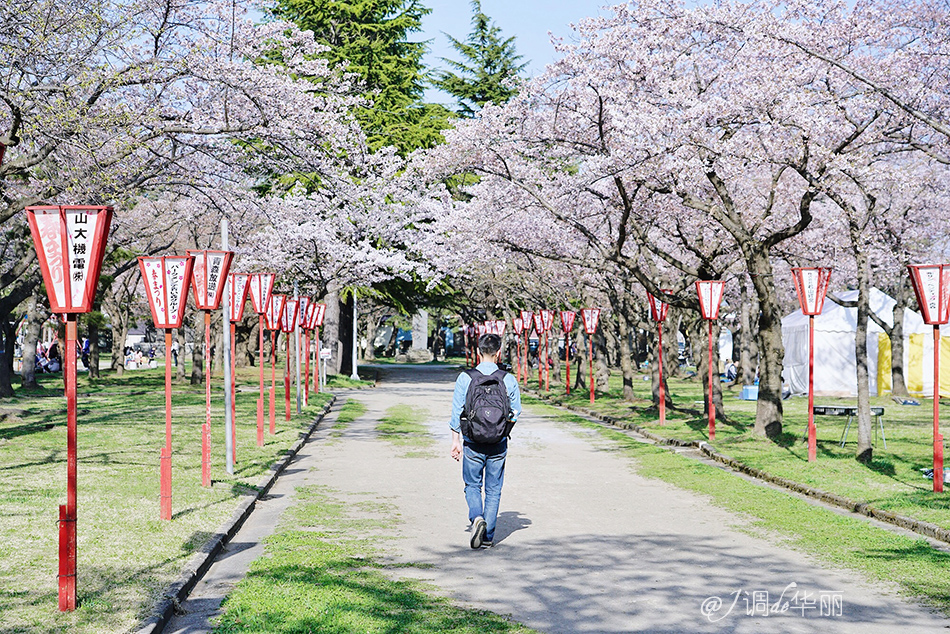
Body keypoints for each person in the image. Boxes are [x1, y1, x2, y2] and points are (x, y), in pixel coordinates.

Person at [449, 333, 522, 549]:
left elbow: (456, 413)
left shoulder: (466, 377)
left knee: (472, 485)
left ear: (478, 351)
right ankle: (488, 536)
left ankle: (476, 517)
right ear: (499, 352)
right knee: (494, 489)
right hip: (498, 443)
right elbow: (516, 411)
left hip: (472, 441)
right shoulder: (507, 378)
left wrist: (455, 441)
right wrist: (502, 428)